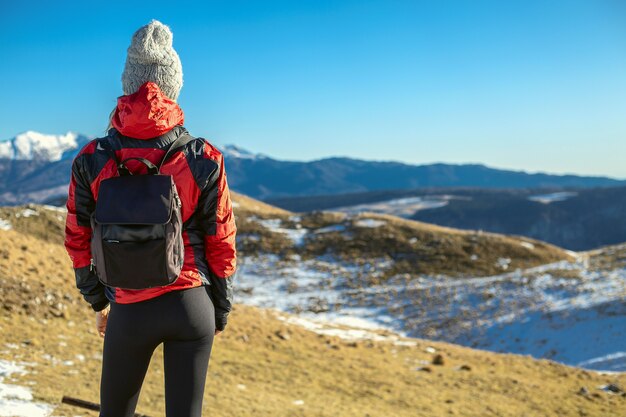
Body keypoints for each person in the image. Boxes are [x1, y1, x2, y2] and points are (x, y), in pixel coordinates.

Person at [63, 19, 237, 417]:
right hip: (191, 303)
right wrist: (220, 307)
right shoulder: (204, 157)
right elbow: (220, 239)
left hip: (129, 306)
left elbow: (77, 235)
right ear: (175, 86)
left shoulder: (92, 158)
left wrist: (98, 300)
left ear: (127, 84)